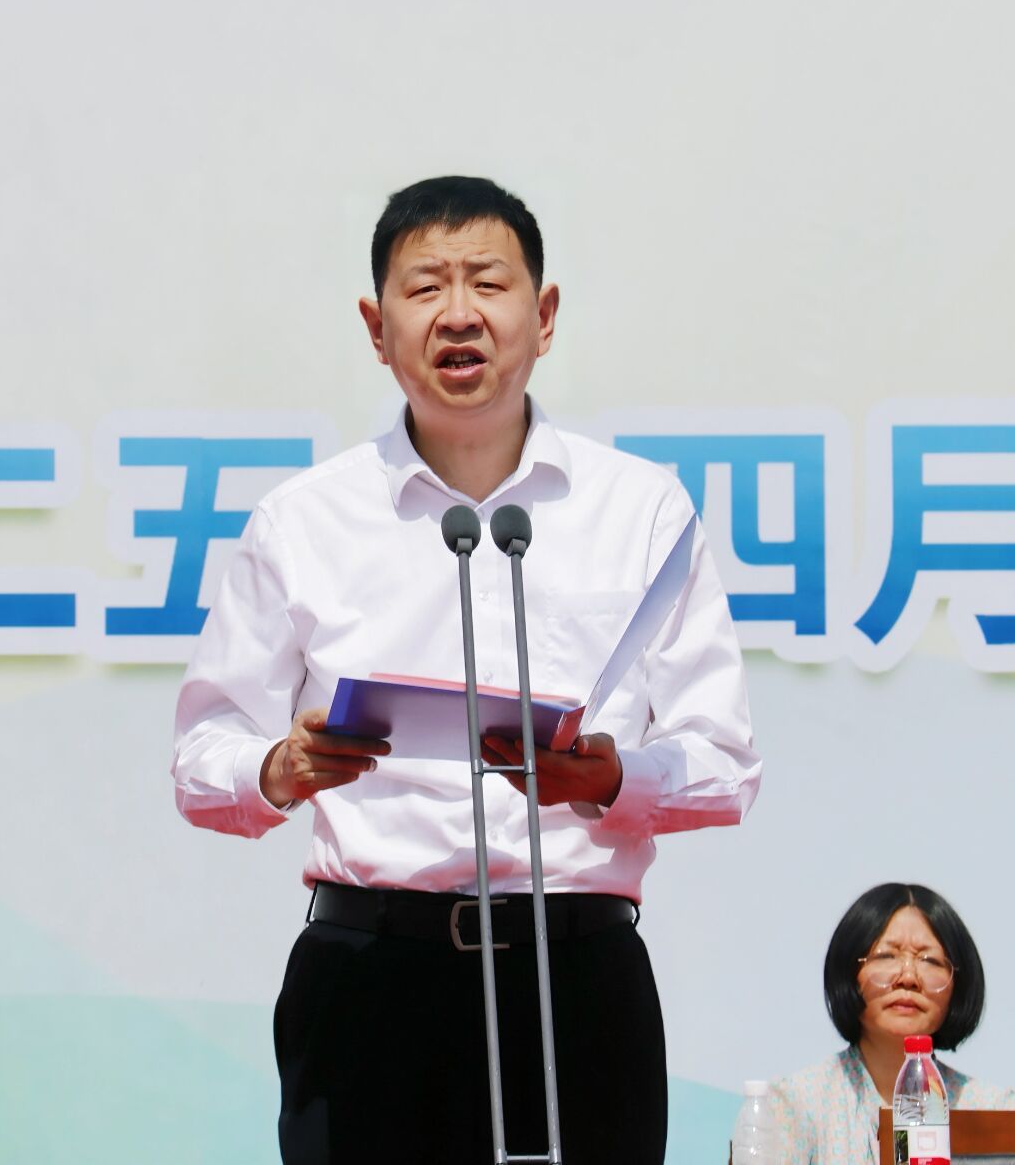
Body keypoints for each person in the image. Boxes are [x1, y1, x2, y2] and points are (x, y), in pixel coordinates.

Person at [172, 175, 760, 1164]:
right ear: (377, 327)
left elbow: (725, 762)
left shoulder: (641, 510)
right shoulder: (303, 520)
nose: (458, 314)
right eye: (424, 287)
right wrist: (281, 765)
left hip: (576, 980)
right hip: (369, 981)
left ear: (545, 314)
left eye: (487, 282)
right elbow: (200, 757)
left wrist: (610, 779)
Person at [771, 882, 1015, 1165]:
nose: (908, 977)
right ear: (849, 972)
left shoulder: (993, 1110)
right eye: (886, 956)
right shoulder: (795, 1104)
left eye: (930, 960)